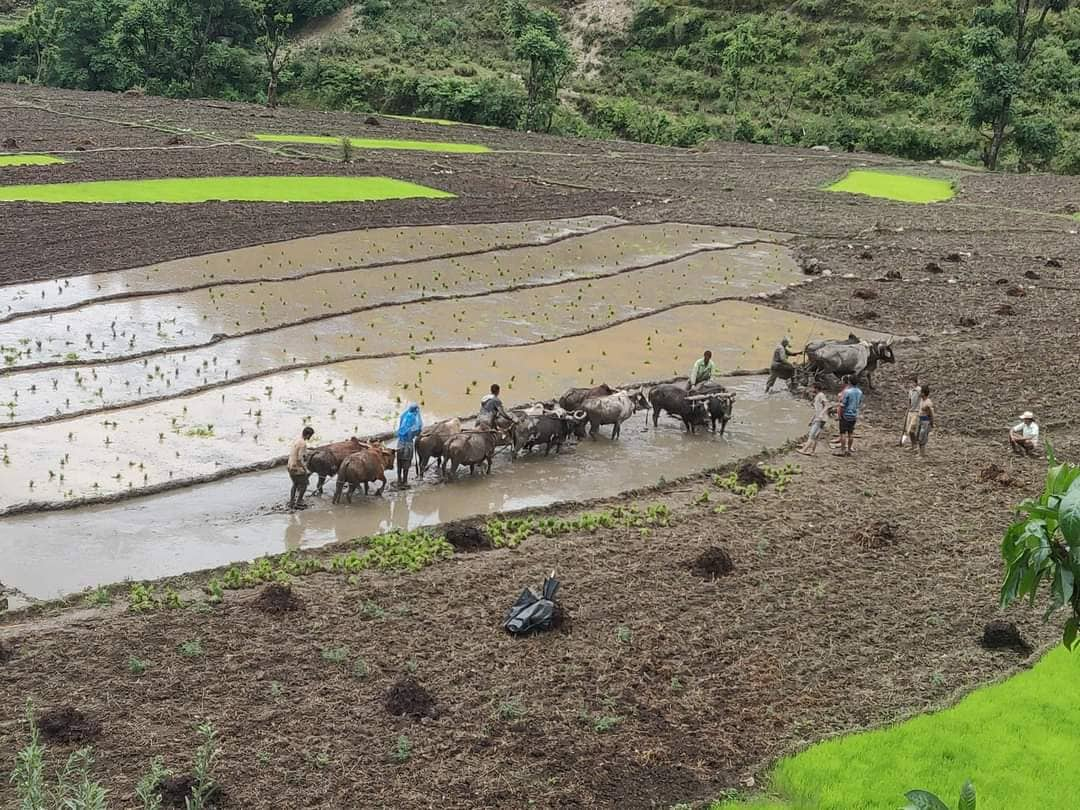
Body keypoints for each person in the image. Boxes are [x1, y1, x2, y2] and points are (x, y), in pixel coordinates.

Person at [287, 425, 315, 510]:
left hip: (290, 466)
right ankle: (298, 502)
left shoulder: (297, 440)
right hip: (297, 468)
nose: (310, 437)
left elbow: (296, 452)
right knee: (304, 484)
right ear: (308, 435)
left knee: (295, 484)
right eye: (310, 436)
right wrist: (306, 470)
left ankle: (292, 502)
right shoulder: (303, 444)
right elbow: (300, 459)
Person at [395, 403, 423, 487]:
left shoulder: (403, 417)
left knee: (399, 462)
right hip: (408, 444)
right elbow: (418, 431)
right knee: (406, 462)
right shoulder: (415, 420)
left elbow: (400, 427)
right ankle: (405, 481)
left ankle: (399, 479)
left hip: (400, 443)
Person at [798, 381, 829, 456]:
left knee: (812, 434)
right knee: (816, 436)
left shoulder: (821, 395)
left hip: (820, 418)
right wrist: (812, 419)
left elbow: (827, 405)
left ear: (816, 388)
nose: (811, 389)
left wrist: (821, 414)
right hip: (820, 418)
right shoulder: (818, 395)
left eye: (812, 388)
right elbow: (818, 409)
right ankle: (812, 451)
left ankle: (804, 450)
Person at [835, 375, 863, 457]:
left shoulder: (847, 392)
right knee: (851, 433)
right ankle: (849, 449)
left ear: (849, 382)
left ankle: (843, 450)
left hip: (846, 414)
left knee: (843, 433)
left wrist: (840, 414)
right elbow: (859, 403)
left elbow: (842, 404)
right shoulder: (860, 392)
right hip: (854, 414)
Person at [916, 385, 935, 458]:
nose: (919, 393)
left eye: (921, 392)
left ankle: (922, 454)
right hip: (920, 419)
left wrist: (932, 423)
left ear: (923, 393)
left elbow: (931, 414)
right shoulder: (921, 400)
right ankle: (920, 452)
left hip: (925, 421)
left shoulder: (928, 403)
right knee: (919, 436)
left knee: (922, 437)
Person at [902, 375, 921, 447]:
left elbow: (922, 399)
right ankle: (913, 444)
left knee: (911, 429)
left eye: (912, 382)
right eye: (910, 383)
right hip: (910, 411)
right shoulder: (910, 391)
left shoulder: (919, 390)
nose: (911, 384)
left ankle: (915, 443)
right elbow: (909, 401)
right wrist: (907, 410)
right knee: (907, 429)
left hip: (916, 412)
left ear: (915, 383)